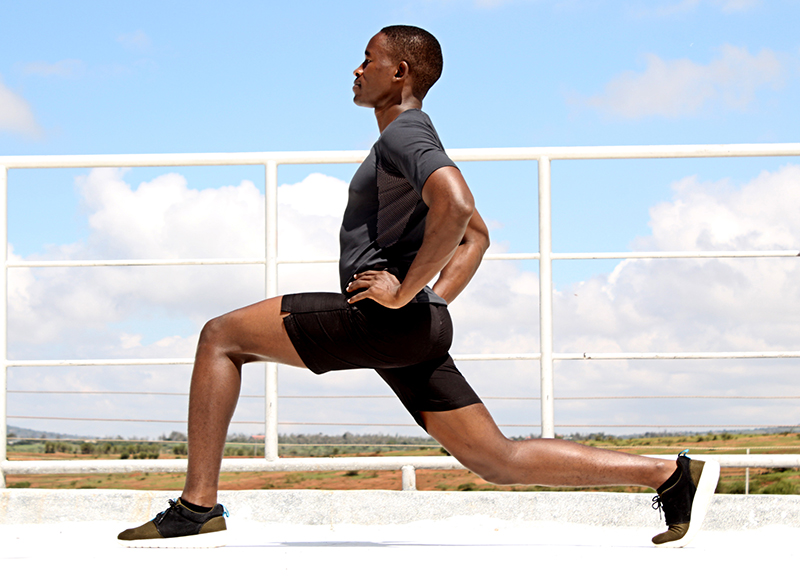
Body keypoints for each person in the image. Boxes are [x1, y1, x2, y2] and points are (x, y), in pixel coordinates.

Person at [118, 25, 719, 549]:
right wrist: (429, 300)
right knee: (496, 460)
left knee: (220, 336)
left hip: (383, 318)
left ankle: (198, 506)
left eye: (367, 59)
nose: (356, 70)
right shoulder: (410, 138)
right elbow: (477, 235)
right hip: (411, 326)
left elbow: (457, 208)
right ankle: (666, 474)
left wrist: (405, 292)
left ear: (399, 70)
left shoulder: (405, 134)